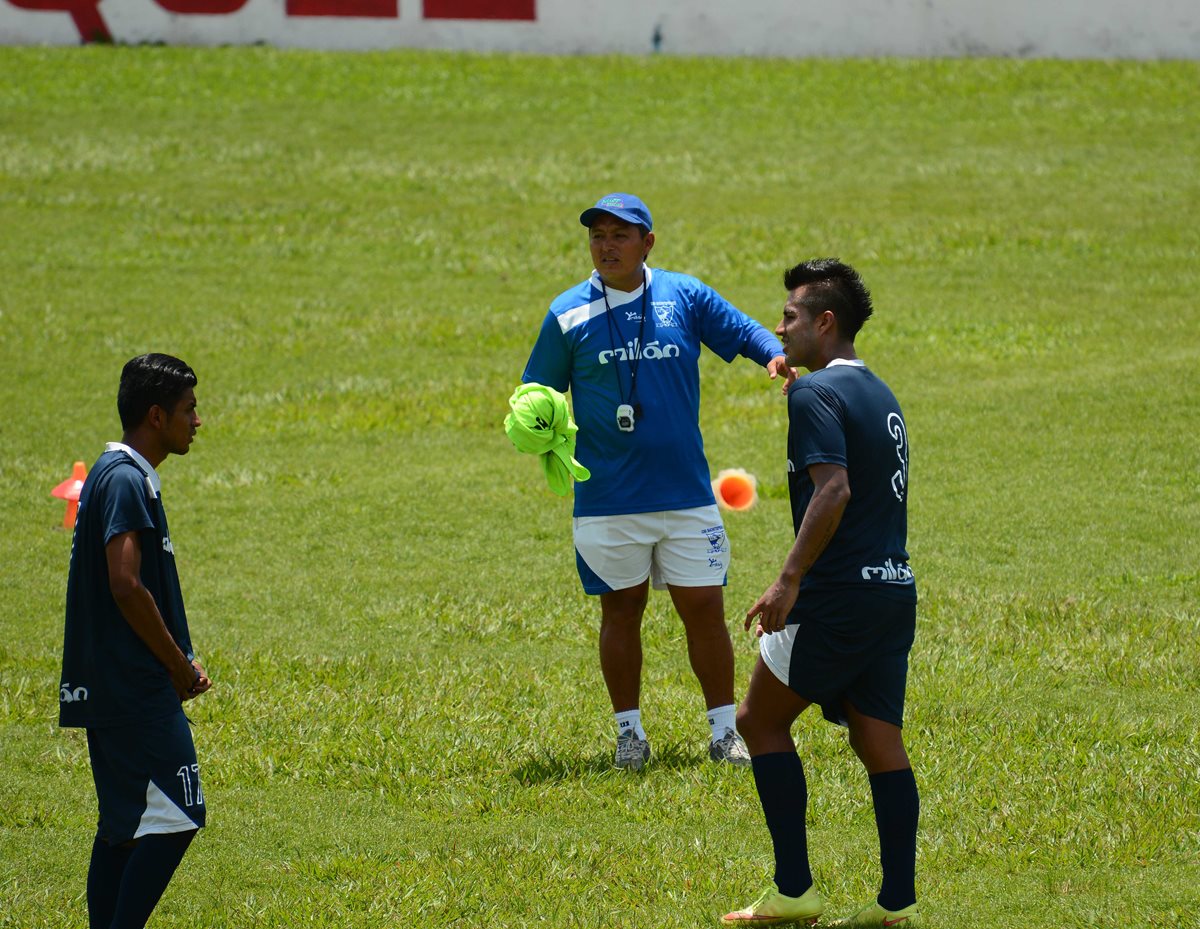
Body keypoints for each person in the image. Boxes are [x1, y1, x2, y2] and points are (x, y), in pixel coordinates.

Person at [521, 192, 795, 770]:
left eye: (620, 235)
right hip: (607, 499)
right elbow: (535, 391)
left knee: (705, 610)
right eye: (597, 235)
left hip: (684, 494)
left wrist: (773, 354)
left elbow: (741, 329)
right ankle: (630, 735)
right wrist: (534, 423)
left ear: (647, 243)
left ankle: (724, 733)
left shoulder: (683, 296)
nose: (606, 246)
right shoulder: (567, 314)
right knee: (621, 612)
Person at [722, 260, 920, 927]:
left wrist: (788, 580)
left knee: (758, 720)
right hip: (892, 591)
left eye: (790, 316)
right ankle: (896, 902)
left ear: (825, 321)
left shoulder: (814, 396)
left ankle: (794, 889)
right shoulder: (879, 393)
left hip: (835, 598)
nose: (779, 328)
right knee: (876, 737)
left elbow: (833, 489)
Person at [58, 353, 210, 929]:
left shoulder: (111, 472)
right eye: (189, 409)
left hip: (114, 686)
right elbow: (125, 584)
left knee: (123, 830)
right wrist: (176, 665)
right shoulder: (125, 479)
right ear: (156, 416)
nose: (197, 421)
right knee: (179, 815)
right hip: (134, 689)